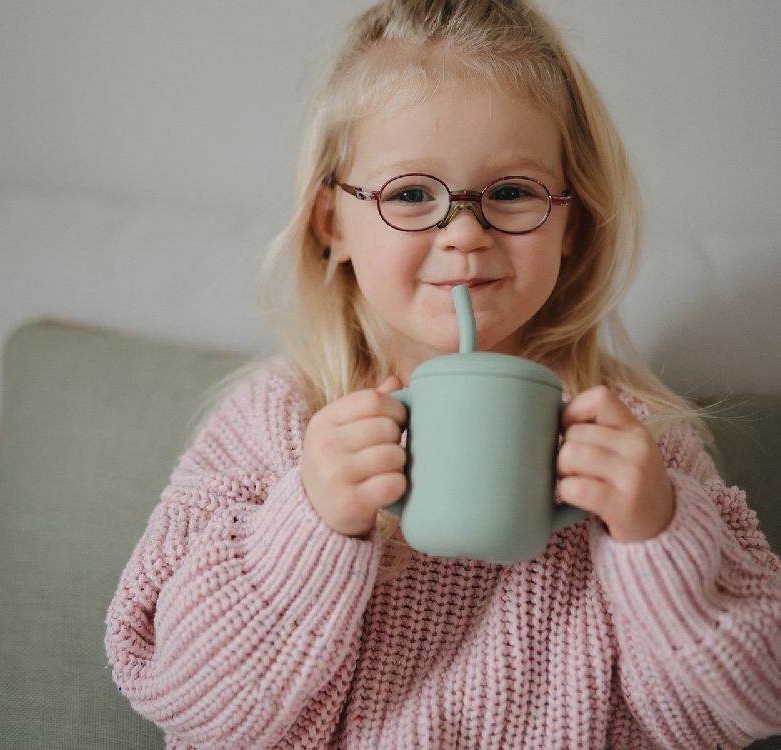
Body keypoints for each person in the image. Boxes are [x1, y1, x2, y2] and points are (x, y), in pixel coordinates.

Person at [104, 1, 781, 747]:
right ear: (333, 225)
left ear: (570, 225)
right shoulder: (279, 421)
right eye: (411, 195)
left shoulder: (638, 439)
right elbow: (182, 695)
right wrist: (308, 524)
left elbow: (743, 709)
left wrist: (658, 536)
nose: (463, 234)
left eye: (513, 192)